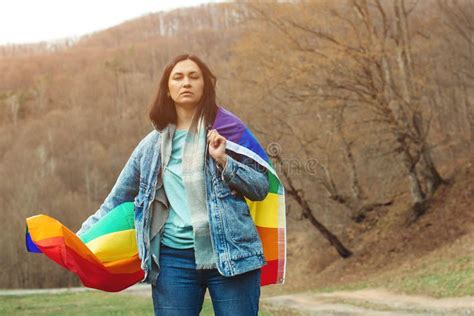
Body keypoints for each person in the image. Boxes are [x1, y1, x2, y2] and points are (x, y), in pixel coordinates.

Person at [76, 54, 270, 315]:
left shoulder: (230, 133)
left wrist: (223, 160)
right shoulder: (150, 146)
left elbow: (260, 187)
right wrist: (78, 240)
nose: (186, 82)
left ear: (205, 86)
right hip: (172, 262)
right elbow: (117, 199)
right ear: (167, 89)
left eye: (194, 76)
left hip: (231, 253)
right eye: (177, 77)